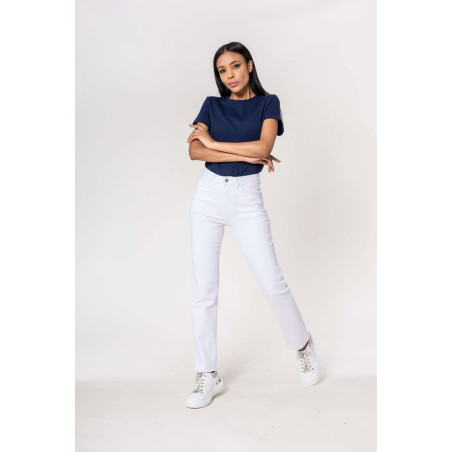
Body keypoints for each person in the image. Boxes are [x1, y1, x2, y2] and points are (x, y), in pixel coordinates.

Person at [185, 42, 321, 409]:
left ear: (249, 65)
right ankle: (207, 373)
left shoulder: (267, 104)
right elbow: (195, 151)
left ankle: (303, 345)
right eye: (222, 70)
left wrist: (214, 142)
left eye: (235, 66)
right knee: (204, 290)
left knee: (272, 282)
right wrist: (229, 148)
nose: (229, 75)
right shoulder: (211, 105)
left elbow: (264, 146)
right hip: (208, 196)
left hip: (246, 198)